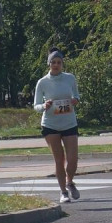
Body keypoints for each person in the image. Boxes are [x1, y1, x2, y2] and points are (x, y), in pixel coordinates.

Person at [33, 48, 81, 204]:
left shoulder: (70, 78)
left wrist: (75, 100)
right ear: (49, 64)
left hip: (69, 123)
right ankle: (63, 192)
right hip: (50, 124)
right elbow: (36, 105)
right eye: (53, 62)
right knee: (59, 159)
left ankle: (70, 181)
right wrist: (44, 106)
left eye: (59, 62)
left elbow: (76, 95)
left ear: (62, 64)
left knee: (72, 159)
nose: (56, 65)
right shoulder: (42, 82)